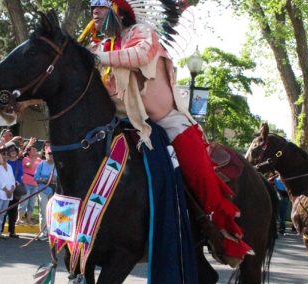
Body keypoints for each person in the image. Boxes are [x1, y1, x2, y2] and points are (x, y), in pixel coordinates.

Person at [84, 0, 252, 267]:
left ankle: (222, 233)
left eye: (102, 4)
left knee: (198, 174)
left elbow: (139, 55)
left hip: (167, 122)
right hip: (124, 123)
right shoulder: (103, 48)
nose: (94, 8)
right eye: (92, 4)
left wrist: (95, 58)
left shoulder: (141, 33)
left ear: (119, 11)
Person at [34, 146, 58, 241]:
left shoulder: (56, 165)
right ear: (46, 154)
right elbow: (35, 177)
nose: (51, 156)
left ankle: (51, 233)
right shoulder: (42, 164)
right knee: (43, 212)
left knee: (53, 213)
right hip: (43, 190)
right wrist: (45, 180)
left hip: (54, 191)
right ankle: (43, 233)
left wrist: (55, 180)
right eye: (49, 154)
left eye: (52, 154)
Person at [2, 142, 23, 238]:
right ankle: (0, 230)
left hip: (15, 188)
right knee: (4, 210)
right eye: (11, 151)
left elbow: (20, 175)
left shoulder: (19, 162)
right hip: (6, 188)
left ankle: (12, 231)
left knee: (13, 210)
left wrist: (16, 183)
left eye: (14, 150)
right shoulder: (5, 162)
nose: (13, 152)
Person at [17, 143, 41, 225]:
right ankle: (19, 219)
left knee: (31, 203)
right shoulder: (25, 159)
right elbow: (29, 165)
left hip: (35, 183)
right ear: (29, 152)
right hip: (26, 182)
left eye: (36, 150)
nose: (35, 151)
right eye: (33, 150)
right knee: (24, 200)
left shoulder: (39, 160)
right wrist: (35, 157)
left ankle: (29, 219)